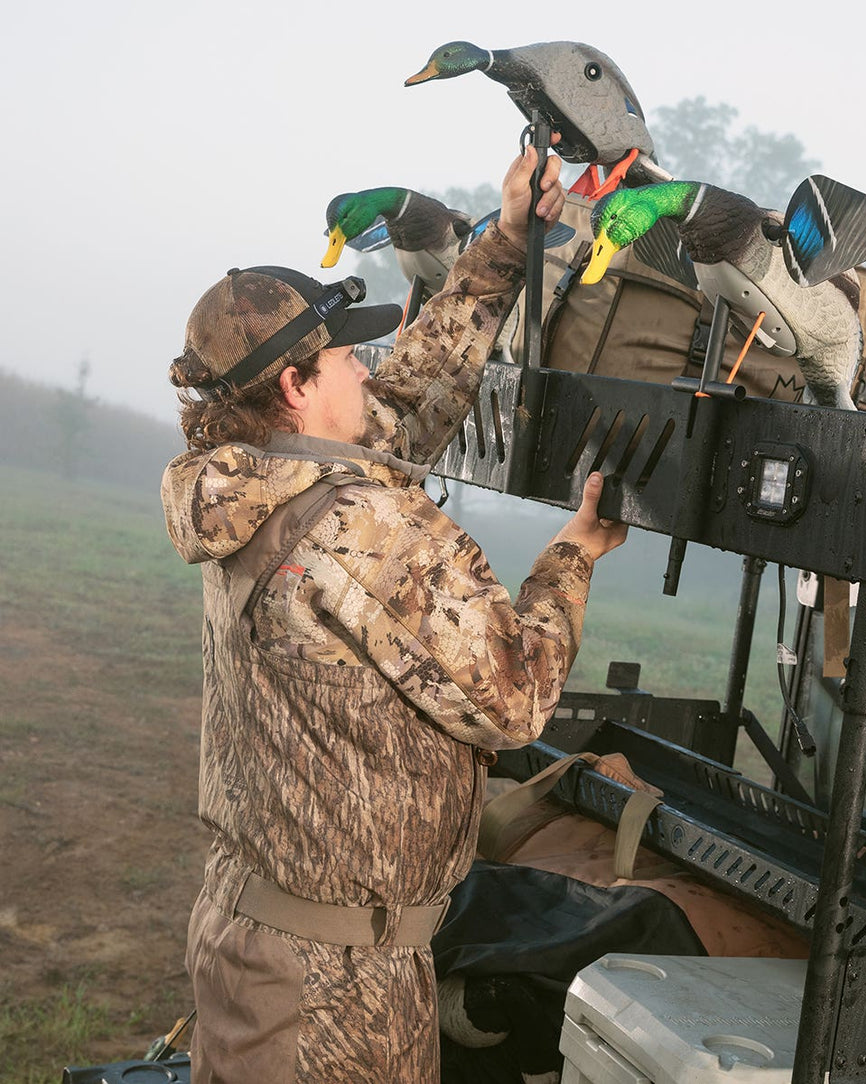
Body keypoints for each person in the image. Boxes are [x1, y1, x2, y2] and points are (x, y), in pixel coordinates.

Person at [160, 142, 627, 1083]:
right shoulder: (362, 525)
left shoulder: (251, 477)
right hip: (329, 985)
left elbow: (407, 401)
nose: (366, 370)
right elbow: (513, 699)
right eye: (344, 358)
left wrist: (503, 243)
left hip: (261, 937)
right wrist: (574, 556)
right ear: (296, 386)